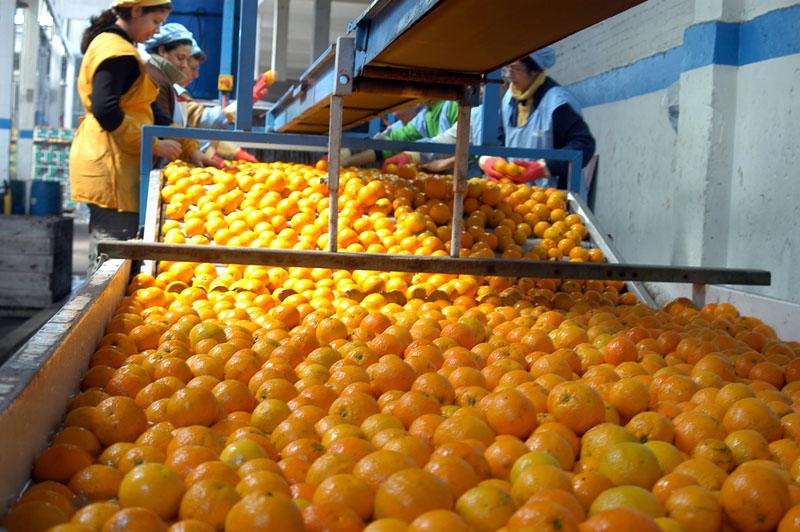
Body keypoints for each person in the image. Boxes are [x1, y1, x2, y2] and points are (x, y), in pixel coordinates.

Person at [69, 0, 182, 272]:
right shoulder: (115, 51)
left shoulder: (124, 50)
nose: (156, 31)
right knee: (112, 261)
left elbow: (150, 110)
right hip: (111, 167)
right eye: (155, 21)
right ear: (134, 11)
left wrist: (190, 148)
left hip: (118, 164)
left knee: (118, 257)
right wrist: (154, 146)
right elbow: (106, 111)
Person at [480, 48, 595, 188]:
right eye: (507, 68)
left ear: (534, 70)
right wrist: (491, 160)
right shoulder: (509, 99)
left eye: (516, 69)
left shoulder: (558, 103)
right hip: (517, 194)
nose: (509, 75)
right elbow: (500, 141)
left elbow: (583, 145)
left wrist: (544, 167)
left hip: (553, 198)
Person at [143, 23, 218, 167]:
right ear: (162, 50)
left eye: (186, 59)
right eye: (180, 57)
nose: (183, 65)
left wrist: (193, 150)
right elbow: (162, 125)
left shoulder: (168, 83)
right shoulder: (156, 79)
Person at [340, 101, 457, 168]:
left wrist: (411, 156)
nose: (395, 113)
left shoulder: (453, 106)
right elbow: (391, 143)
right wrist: (346, 160)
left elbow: (454, 141)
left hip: (466, 181)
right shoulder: (426, 115)